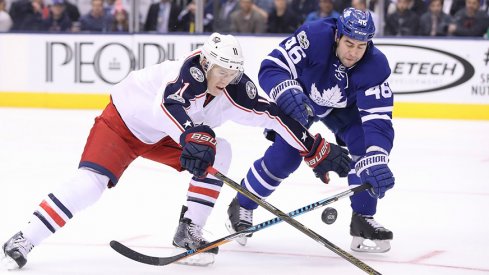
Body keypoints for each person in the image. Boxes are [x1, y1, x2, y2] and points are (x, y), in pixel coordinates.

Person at [1, 32, 351, 269]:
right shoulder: (189, 73)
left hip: (169, 135)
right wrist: (191, 137)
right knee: (90, 184)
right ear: (205, 63)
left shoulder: (235, 87)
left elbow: (273, 115)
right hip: (123, 124)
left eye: (232, 72)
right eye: (220, 70)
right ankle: (25, 238)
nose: (225, 78)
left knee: (221, 150)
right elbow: (168, 105)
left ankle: (189, 230)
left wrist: (314, 147)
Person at [225, 8, 396, 253]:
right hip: (301, 101)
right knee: (286, 157)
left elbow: (378, 119)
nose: (354, 53)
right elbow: (272, 67)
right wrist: (286, 92)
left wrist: (378, 159)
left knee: (366, 149)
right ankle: (241, 204)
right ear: (338, 35)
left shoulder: (376, 65)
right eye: (349, 43)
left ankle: (363, 218)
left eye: (361, 46)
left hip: (341, 109)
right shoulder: (314, 36)